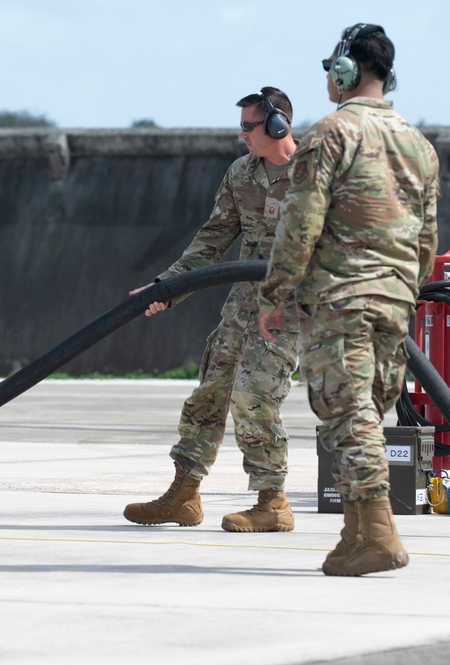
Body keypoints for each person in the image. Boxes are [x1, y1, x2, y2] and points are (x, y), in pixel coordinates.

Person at [257, 24, 440, 576]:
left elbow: (301, 222)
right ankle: (356, 531)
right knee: (366, 409)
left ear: (345, 71)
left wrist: (276, 292)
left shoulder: (331, 134)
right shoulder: (419, 144)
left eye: (331, 68)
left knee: (346, 410)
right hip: (394, 299)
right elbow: (427, 238)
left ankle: (380, 532)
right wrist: (404, 289)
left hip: (342, 297)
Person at [123, 87, 301, 533]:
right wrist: (167, 288)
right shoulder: (241, 173)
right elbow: (212, 240)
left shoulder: (315, 176)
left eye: (248, 126)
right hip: (242, 303)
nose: (241, 134)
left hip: (289, 306)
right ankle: (183, 495)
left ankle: (272, 502)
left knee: (253, 394)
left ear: (278, 125)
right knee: (210, 391)